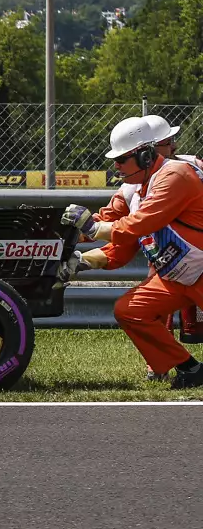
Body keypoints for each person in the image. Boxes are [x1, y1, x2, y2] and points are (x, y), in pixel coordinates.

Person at [63, 117, 203, 388]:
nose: (116, 166)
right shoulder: (132, 190)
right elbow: (120, 245)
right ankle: (191, 369)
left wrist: (92, 228)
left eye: (122, 159)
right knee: (130, 310)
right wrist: (80, 258)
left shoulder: (176, 175)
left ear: (145, 156)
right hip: (176, 275)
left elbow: (140, 224)